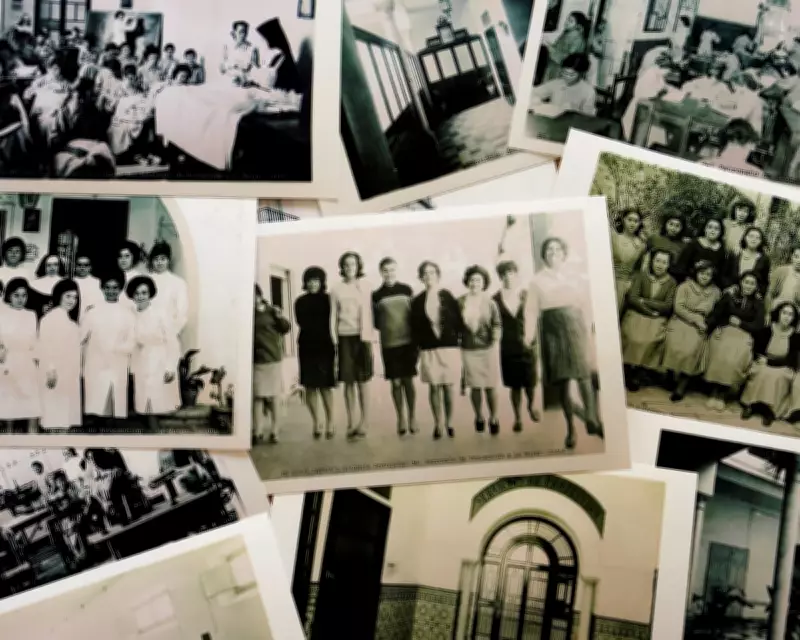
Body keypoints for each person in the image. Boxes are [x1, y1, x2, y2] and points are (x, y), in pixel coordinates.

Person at [527, 237, 602, 449]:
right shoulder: (537, 281)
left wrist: (591, 327)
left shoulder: (576, 277)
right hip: (552, 330)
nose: (553, 253)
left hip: (576, 326)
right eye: (549, 249)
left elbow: (586, 304)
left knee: (583, 375)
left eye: (557, 249)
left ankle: (591, 418)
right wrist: (528, 336)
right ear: (544, 255)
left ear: (564, 253)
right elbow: (531, 310)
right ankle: (571, 429)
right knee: (562, 382)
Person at [409, 261, 463, 439]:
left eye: (432, 272)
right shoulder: (417, 301)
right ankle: (438, 423)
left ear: (438, 275)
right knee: (434, 386)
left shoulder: (447, 295)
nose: (428, 276)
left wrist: (458, 340)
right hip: (428, 348)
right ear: (421, 277)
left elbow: (458, 320)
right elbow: (415, 328)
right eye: (425, 273)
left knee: (448, 386)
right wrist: (417, 350)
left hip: (448, 347)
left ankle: (450, 422)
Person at [703, 271, 765, 412]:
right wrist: (718, 325)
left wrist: (741, 323)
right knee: (720, 351)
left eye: (752, 283)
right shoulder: (729, 295)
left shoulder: (758, 303)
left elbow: (758, 325)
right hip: (725, 329)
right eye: (746, 282)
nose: (748, 286)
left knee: (735, 357)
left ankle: (723, 394)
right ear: (741, 282)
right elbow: (717, 314)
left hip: (744, 333)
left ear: (756, 286)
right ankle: (714, 390)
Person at [662, 260, 722, 402]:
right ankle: (670, 375)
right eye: (702, 273)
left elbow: (717, 312)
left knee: (692, 349)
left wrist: (706, 323)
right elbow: (678, 307)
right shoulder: (685, 286)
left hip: (701, 324)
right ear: (696, 273)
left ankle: (682, 385)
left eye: (708, 274)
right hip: (681, 319)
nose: (704, 277)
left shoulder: (716, 292)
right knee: (674, 344)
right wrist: (694, 319)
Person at [330, 251, 375, 439]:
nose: (350, 268)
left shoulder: (366, 286)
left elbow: (371, 312)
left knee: (363, 381)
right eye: (346, 264)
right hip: (344, 337)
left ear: (358, 267)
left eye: (353, 264)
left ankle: (364, 421)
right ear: (342, 267)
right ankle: (351, 421)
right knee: (348, 381)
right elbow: (333, 315)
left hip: (362, 337)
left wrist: (370, 336)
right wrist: (334, 339)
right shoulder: (336, 289)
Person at [126, 275, 181, 429]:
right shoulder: (131, 314)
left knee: (157, 399)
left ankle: (155, 430)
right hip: (141, 360)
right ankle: (150, 428)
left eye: (144, 293)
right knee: (144, 400)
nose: (140, 297)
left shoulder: (161, 313)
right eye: (137, 293)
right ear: (132, 295)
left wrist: (171, 367)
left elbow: (173, 341)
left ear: (150, 293)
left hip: (159, 359)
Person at [81, 269, 136, 423]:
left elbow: (132, 339)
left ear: (121, 289)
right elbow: (81, 337)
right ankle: (96, 426)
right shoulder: (92, 311)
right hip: (96, 361)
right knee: (96, 400)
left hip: (118, 360)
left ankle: (111, 427)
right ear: (102, 288)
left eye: (115, 288)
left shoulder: (127, 313)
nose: (111, 291)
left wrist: (119, 349)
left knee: (114, 398)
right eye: (107, 287)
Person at [621, 249, 677, 392]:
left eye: (664, 262)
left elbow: (667, 305)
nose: (660, 265)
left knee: (651, 339)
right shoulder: (641, 276)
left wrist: (645, 301)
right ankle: (627, 369)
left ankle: (639, 371)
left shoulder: (671, 282)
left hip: (657, 318)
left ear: (668, 265)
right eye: (657, 261)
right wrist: (650, 311)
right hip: (639, 313)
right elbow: (633, 298)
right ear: (652, 261)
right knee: (633, 337)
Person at [372, 257, 417, 436]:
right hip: (389, 343)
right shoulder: (376, 295)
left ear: (396, 270)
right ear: (381, 272)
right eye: (385, 270)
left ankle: (412, 417)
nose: (389, 273)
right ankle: (401, 418)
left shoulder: (406, 289)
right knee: (396, 383)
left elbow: (414, 315)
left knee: (408, 381)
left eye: (392, 269)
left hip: (408, 342)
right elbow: (376, 322)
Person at [493, 259, 539, 431]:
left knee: (530, 381)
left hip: (527, 342)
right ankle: (518, 417)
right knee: (514, 385)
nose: (508, 277)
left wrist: (530, 337)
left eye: (511, 273)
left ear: (516, 275)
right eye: (504, 274)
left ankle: (531, 406)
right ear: (500, 277)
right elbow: (493, 323)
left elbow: (533, 317)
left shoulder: (526, 294)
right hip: (508, 346)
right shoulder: (495, 299)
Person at [741, 302, 800, 426]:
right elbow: (757, 350)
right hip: (764, 362)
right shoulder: (767, 330)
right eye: (784, 313)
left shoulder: (796, 337)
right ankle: (752, 405)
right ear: (778, 314)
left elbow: (791, 360)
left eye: (790, 314)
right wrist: (763, 359)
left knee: (778, 376)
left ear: (794, 318)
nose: (786, 317)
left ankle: (769, 411)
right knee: (761, 372)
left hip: (783, 366)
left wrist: (771, 362)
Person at [459, 265, 502, 435]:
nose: (474, 283)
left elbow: (497, 324)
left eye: (478, 280)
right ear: (467, 282)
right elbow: (455, 325)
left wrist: (495, 340)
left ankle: (494, 417)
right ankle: (478, 416)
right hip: (468, 349)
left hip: (488, 348)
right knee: (475, 386)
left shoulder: (490, 303)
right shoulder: (460, 302)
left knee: (490, 385)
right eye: (472, 280)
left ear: (484, 283)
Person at [294, 267, 336, 439]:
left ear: (321, 282)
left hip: (325, 346)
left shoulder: (329, 300)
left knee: (325, 386)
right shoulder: (300, 301)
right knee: (310, 386)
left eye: (316, 281)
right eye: (310, 281)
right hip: (307, 346)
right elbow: (301, 322)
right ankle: (317, 422)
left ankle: (330, 422)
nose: (312, 284)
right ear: (305, 282)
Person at [39, 279, 82, 431]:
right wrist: (50, 370)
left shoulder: (71, 322)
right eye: (68, 296)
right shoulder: (49, 319)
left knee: (65, 418)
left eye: (75, 297)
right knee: (53, 417)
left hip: (69, 375)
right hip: (55, 374)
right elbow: (45, 347)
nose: (72, 301)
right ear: (59, 296)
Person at [0, 278, 40, 433]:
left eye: (24, 295)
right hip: (8, 363)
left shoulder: (31, 315)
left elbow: (34, 341)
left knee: (32, 406)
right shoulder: (2, 315)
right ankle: (8, 438)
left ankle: (33, 440)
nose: (20, 299)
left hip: (27, 363)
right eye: (16, 295)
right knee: (9, 408)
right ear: (9, 296)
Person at [253, 284, 291, 444]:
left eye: (254, 295)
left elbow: (286, 328)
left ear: (259, 296)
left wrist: (279, 316)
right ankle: (258, 430)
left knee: (274, 395)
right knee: (258, 396)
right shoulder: (248, 313)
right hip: (256, 359)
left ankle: (275, 430)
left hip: (272, 358)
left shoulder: (271, 311)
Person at [530, 53, 596, 117]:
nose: (567, 77)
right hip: (551, 119)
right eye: (565, 72)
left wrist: (576, 109)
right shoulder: (557, 83)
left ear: (581, 74)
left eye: (572, 75)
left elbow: (589, 116)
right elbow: (534, 92)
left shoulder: (589, 91)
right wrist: (536, 99)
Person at [147, 241, 188, 338]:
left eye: (163, 259)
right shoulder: (146, 280)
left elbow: (182, 312)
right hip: (147, 332)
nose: (159, 262)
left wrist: (171, 332)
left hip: (168, 333)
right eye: (156, 259)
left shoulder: (178, 282)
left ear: (168, 260)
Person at [611, 208, 646, 314]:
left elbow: (638, 268)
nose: (632, 223)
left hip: (623, 282)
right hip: (607, 277)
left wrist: (630, 282)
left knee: (614, 312)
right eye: (629, 219)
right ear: (623, 220)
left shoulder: (641, 245)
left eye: (636, 221)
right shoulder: (614, 237)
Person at [674, 217, 727, 286]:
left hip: (710, 285)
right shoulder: (694, 244)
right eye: (710, 227)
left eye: (716, 228)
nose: (712, 231)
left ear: (720, 232)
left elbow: (721, 272)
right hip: (690, 281)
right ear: (705, 229)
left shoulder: (721, 250)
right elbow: (682, 265)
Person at [542, 11, 589, 82]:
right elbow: (558, 47)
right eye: (567, 19)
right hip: (553, 66)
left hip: (561, 71)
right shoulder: (567, 33)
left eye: (570, 21)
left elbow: (569, 59)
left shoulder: (578, 39)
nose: (566, 22)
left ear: (578, 25)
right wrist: (549, 45)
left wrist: (550, 48)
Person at [722, 226, 770, 294]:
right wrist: (729, 287)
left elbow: (764, 283)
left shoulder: (764, 260)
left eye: (758, 238)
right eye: (751, 236)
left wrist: (758, 292)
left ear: (761, 241)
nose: (754, 239)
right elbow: (724, 275)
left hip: (751, 296)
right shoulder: (735, 255)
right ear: (745, 237)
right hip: (732, 293)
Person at [221, 20, 260, 86]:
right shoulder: (226, 48)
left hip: (246, 83)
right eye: (241, 32)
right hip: (229, 83)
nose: (243, 35)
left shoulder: (253, 49)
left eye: (245, 32)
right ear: (233, 33)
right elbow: (222, 69)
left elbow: (256, 71)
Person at [766, 245, 800, 311]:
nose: (799, 260)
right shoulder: (780, 271)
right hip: (776, 308)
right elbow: (770, 293)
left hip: (795, 312)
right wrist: (768, 312)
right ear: (792, 257)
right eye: (796, 257)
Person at [73, 253, 104, 317]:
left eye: (86, 265)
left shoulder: (97, 282)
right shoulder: (71, 282)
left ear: (90, 267)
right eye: (79, 265)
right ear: (75, 266)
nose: (82, 268)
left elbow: (101, 302)